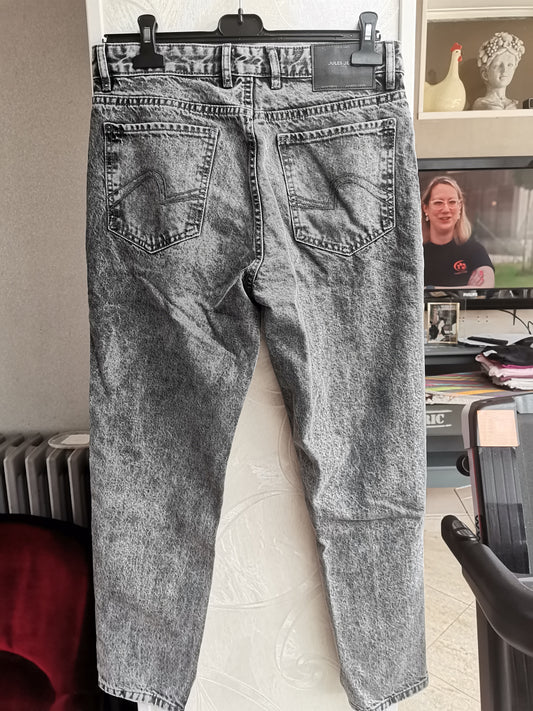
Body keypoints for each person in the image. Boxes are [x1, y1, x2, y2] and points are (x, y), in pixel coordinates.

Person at [422, 176, 495, 288]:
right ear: (425, 208)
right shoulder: (412, 254)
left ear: (460, 207)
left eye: (452, 202)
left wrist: (429, 290)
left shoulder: (475, 251)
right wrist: (466, 290)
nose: (446, 209)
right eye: (438, 203)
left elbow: (485, 289)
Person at [472, 32, 525, 111]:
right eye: (498, 65)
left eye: (510, 65)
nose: (504, 70)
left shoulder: (512, 105)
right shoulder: (481, 104)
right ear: (485, 74)